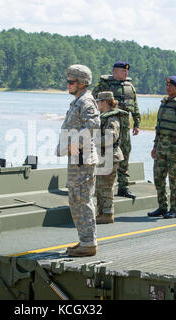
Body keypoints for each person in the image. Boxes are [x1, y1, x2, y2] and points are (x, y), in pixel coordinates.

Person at [57, 64, 100, 257]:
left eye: (71, 81)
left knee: (82, 199)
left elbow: (93, 126)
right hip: (77, 158)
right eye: (67, 81)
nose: (68, 84)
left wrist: (73, 142)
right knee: (76, 199)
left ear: (82, 83)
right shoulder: (78, 101)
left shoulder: (86, 102)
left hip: (82, 158)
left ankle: (89, 243)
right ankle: (85, 240)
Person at [92, 61, 140, 200]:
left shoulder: (129, 86)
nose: (126, 73)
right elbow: (94, 102)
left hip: (125, 128)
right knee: (105, 155)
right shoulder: (104, 84)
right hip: (108, 125)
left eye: (127, 71)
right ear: (115, 71)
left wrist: (137, 122)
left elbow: (135, 105)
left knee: (125, 155)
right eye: (123, 71)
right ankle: (98, 186)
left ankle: (123, 187)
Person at [148, 76, 176, 219]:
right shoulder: (164, 102)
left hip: (175, 149)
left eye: (171, 86)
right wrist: (155, 146)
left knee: (174, 180)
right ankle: (162, 207)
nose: (168, 88)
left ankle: (174, 209)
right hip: (161, 147)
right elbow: (159, 127)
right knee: (158, 178)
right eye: (166, 85)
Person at [95, 91, 128, 224]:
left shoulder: (112, 119)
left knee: (106, 186)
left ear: (104, 102)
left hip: (111, 156)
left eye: (98, 101)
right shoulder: (105, 117)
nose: (97, 103)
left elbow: (111, 138)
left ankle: (108, 214)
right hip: (104, 156)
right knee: (99, 186)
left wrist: (92, 140)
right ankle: (102, 212)